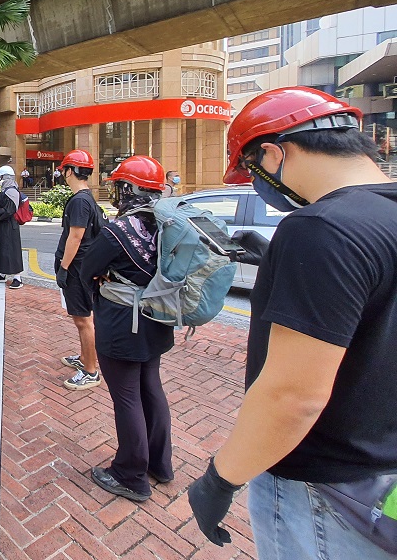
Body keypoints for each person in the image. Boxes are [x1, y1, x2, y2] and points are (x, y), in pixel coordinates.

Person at [188, 87, 397, 558]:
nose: (258, 184)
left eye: (255, 172)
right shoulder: (381, 215)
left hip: (323, 486)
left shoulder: (320, 228)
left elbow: (293, 396)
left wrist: (220, 479)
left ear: (273, 153)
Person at [81, 155, 174, 502]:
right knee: (151, 387)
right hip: (158, 318)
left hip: (123, 324)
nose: (117, 193)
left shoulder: (119, 230)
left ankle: (131, 474)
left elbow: (87, 267)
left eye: (121, 186)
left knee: (127, 397)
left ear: (130, 189)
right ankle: (160, 464)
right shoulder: (166, 224)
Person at [54, 150, 105, 391]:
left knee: (83, 319)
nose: (63, 175)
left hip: (77, 268)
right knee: (81, 318)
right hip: (82, 267)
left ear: (71, 171)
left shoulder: (79, 201)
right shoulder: (86, 199)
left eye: (64, 170)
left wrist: (64, 267)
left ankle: (91, 371)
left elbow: (76, 236)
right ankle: (85, 359)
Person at [0, 165, 24, 289]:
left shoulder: (11, 190)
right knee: (2, 248)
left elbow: (9, 210)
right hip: (4, 225)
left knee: (12, 250)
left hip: (9, 225)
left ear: (4, 177)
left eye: (0, 177)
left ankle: (17, 278)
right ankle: (2, 274)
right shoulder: (6, 189)